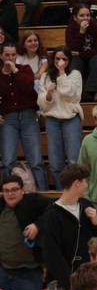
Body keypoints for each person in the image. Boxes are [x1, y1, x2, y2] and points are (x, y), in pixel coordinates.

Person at [40, 164, 97, 290]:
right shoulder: (52, 215)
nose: (87, 185)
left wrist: (96, 223)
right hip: (63, 284)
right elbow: (51, 255)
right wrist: (71, 283)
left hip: (87, 282)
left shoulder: (86, 205)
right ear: (77, 183)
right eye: (85, 181)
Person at [0, 174, 51, 290]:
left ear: (23, 190)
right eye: (6, 190)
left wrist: (37, 225)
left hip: (28, 274)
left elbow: (55, 209)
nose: (10, 194)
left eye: (14, 189)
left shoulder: (33, 201)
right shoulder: (1, 207)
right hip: (3, 271)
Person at [0, 42, 45, 191]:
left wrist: (15, 71)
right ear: (1, 56)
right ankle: (8, 194)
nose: (10, 58)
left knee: (36, 160)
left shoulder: (25, 69)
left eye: (13, 55)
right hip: (8, 119)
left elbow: (27, 87)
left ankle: (43, 195)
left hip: (28, 117)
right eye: (7, 55)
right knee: (7, 161)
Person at [38, 46, 83, 191]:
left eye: (64, 59)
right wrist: (49, 94)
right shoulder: (45, 76)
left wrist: (62, 73)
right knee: (55, 163)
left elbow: (70, 95)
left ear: (69, 60)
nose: (60, 62)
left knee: (73, 161)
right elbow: (42, 103)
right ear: (53, 59)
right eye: (57, 58)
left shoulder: (75, 74)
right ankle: (61, 194)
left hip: (71, 119)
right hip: (52, 120)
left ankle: (75, 194)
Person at [65, 3, 97, 101]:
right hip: (78, 59)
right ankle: (75, 94)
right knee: (74, 61)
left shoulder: (95, 26)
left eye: (88, 15)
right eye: (82, 16)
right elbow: (72, 49)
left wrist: (81, 54)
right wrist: (81, 32)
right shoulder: (70, 28)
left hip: (93, 57)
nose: (85, 18)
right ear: (75, 18)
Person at [16, 30, 47, 96]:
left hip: (38, 86)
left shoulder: (43, 59)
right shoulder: (19, 58)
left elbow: (40, 76)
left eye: (35, 40)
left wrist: (25, 76)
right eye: (30, 41)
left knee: (37, 82)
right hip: (23, 86)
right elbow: (18, 76)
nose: (33, 43)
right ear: (24, 45)